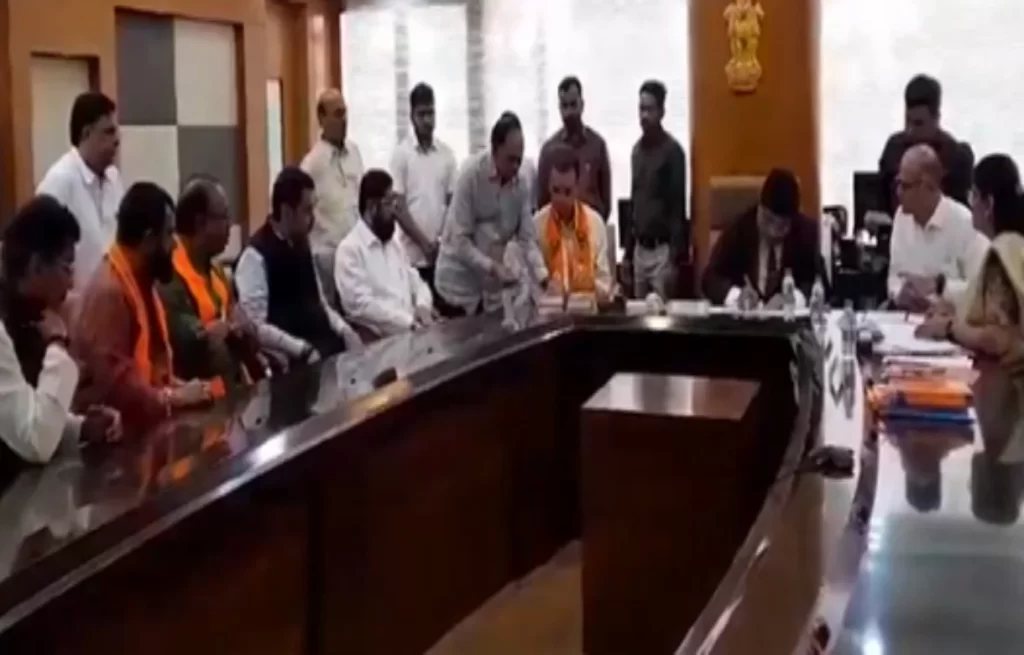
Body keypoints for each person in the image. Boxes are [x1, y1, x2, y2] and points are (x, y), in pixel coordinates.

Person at [73, 183, 213, 432]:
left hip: (144, 425)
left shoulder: (143, 282)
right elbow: (116, 388)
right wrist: (174, 398)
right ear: (149, 240)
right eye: (169, 234)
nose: (175, 246)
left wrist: (184, 388)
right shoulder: (110, 292)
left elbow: (153, 372)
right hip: (110, 438)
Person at [0, 197, 121, 467]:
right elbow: (34, 440)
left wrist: (81, 429)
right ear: (36, 265)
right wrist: (57, 345)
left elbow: (20, 413)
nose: (72, 282)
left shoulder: (30, 313)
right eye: (67, 267)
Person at [236, 166, 361, 366]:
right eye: (307, 210)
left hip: (324, 346)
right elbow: (257, 326)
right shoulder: (255, 256)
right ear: (287, 211)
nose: (313, 219)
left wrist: (344, 329)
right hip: (295, 357)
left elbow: (319, 301)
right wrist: (301, 349)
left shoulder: (303, 243)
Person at [434, 111, 549, 315]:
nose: (515, 167)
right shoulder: (470, 175)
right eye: (510, 159)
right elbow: (459, 240)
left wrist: (543, 276)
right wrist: (492, 267)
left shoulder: (521, 184)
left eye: (519, 159)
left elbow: (527, 239)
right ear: (495, 149)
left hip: (491, 290)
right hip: (456, 286)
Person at [916, 154, 1024, 368]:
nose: (970, 203)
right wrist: (957, 312)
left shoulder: (1003, 253)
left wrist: (949, 328)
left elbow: (997, 338)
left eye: (973, 195)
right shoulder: (1014, 245)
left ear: (988, 203)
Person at [160, 177, 266, 396]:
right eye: (224, 217)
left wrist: (239, 330)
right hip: (193, 393)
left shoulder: (218, 272)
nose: (230, 226)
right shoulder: (168, 274)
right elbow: (190, 342)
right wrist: (224, 331)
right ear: (200, 223)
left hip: (231, 389)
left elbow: (243, 325)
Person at [36, 92, 125, 303]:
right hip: (73, 308)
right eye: (109, 132)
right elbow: (40, 255)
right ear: (86, 133)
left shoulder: (114, 178)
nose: (117, 140)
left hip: (114, 302)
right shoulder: (59, 181)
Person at [702, 169, 826, 307]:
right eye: (768, 220)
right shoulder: (739, 229)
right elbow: (710, 279)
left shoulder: (806, 233)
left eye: (782, 226)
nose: (773, 232)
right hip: (746, 317)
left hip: (788, 318)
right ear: (759, 208)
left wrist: (792, 298)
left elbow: (820, 282)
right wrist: (737, 296)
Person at [335, 169, 436, 337]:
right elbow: (362, 307)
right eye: (388, 203)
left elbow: (417, 282)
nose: (394, 212)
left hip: (416, 332)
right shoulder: (350, 250)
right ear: (372, 207)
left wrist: (423, 307)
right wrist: (409, 323)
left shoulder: (393, 246)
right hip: (385, 341)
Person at [887, 144, 988, 312]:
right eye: (897, 183)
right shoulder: (901, 218)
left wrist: (940, 286)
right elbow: (894, 277)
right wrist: (899, 294)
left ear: (926, 185)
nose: (898, 192)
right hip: (906, 318)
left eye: (905, 185)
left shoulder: (965, 224)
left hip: (950, 322)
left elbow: (982, 291)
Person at [388, 83, 458, 296]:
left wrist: (440, 242)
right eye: (422, 114)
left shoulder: (446, 154)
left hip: (442, 256)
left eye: (431, 113)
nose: (428, 120)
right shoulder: (401, 155)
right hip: (412, 259)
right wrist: (425, 244)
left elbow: (453, 204)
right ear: (412, 117)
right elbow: (398, 208)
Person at [878, 75, 974, 214]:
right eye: (907, 121)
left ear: (936, 119)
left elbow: (962, 214)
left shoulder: (956, 158)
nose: (910, 131)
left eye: (918, 123)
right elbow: (880, 203)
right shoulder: (894, 149)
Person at [300, 88, 365, 292]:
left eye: (344, 112)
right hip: (327, 258)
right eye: (337, 114)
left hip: (355, 256)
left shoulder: (354, 152)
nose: (343, 120)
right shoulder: (311, 165)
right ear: (322, 119)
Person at [629, 79, 687, 299]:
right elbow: (634, 202)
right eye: (641, 109)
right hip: (639, 251)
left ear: (662, 111)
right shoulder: (636, 151)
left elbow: (678, 208)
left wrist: (674, 257)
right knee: (638, 314)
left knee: (661, 313)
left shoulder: (673, 152)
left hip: (662, 252)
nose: (644, 115)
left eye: (650, 109)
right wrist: (628, 253)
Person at [533, 146, 612, 299]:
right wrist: (546, 288)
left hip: (587, 309)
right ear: (548, 186)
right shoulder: (537, 225)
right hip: (550, 310)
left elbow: (605, 283)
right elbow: (531, 284)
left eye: (567, 192)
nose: (561, 199)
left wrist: (590, 284)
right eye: (556, 190)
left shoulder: (595, 223)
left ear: (578, 188)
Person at [536, 76, 612, 220]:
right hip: (557, 229)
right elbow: (542, 202)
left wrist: (593, 225)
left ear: (582, 105)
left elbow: (606, 202)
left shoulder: (597, 146)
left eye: (573, 105)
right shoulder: (548, 151)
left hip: (590, 227)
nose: (569, 112)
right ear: (559, 108)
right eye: (564, 106)